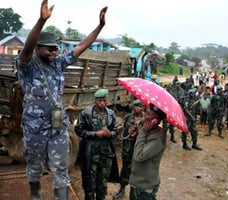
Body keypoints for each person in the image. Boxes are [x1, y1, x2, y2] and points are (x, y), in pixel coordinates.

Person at [16, 0, 108, 199]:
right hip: (34, 129)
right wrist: (41, 21)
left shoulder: (58, 63)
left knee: (60, 169)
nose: (54, 52)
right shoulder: (27, 66)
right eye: (49, 48)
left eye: (56, 48)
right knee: (34, 168)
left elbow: (82, 45)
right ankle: (35, 196)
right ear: (38, 48)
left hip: (57, 127)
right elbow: (26, 48)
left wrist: (99, 26)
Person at [75, 89, 119, 200]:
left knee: (102, 185)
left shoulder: (111, 114)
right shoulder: (86, 114)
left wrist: (110, 134)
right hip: (91, 155)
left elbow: (116, 130)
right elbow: (79, 130)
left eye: (104, 100)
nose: (102, 103)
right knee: (89, 184)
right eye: (100, 101)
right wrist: (95, 134)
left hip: (106, 155)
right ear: (95, 101)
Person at [128, 103, 167, 200]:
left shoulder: (157, 137)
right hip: (136, 183)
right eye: (145, 112)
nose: (144, 115)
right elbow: (137, 147)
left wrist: (142, 132)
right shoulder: (146, 129)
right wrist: (134, 134)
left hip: (145, 187)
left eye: (148, 114)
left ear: (155, 120)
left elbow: (139, 156)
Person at [113, 100, 145, 199]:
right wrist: (130, 133)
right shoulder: (128, 117)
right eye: (135, 106)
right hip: (128, 149)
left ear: (143, 108)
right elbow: (123, 133)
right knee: (125, 170)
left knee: (138, 171)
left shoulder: (146, 119)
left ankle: (135, 191)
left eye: (139, 107)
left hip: (139, 150)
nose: (137, 108)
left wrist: (138, 132)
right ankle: (122, 189)